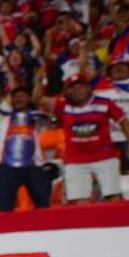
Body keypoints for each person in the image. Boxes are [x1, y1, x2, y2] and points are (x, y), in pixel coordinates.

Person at [50, 72, 127, 202]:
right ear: (67, 91)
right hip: (75, 160)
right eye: (72, 88)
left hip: (105, 157)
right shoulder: (62, 106)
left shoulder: (105, 103)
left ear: (89, 87)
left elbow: (123, 121)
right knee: (79, 201)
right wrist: (38, 78)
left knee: (113, 196)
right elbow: (38, 100)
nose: (76, 90)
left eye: (80, 86)